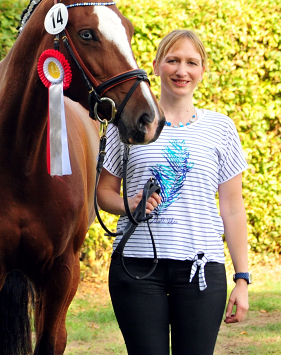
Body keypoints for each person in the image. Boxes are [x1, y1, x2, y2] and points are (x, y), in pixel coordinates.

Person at [97, 29, 250, 355]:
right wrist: (129, 204)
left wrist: (242, 278)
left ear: (202, 71)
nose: (182, 70)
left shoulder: (221, 128)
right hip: (135, 268)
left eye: (192, 63)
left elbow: (233, 209)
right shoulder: (125, 124)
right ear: (155, 66)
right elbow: (103, 193)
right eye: (173, 60)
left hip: (201, 271)